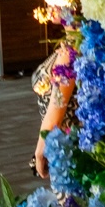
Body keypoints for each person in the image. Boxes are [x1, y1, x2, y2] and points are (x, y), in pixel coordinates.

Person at [32, 44, 77, 178]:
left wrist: (40, 152)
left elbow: (56, 111)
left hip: (64, 144)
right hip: (60, 143)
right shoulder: (67, 47)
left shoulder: (69, 55)